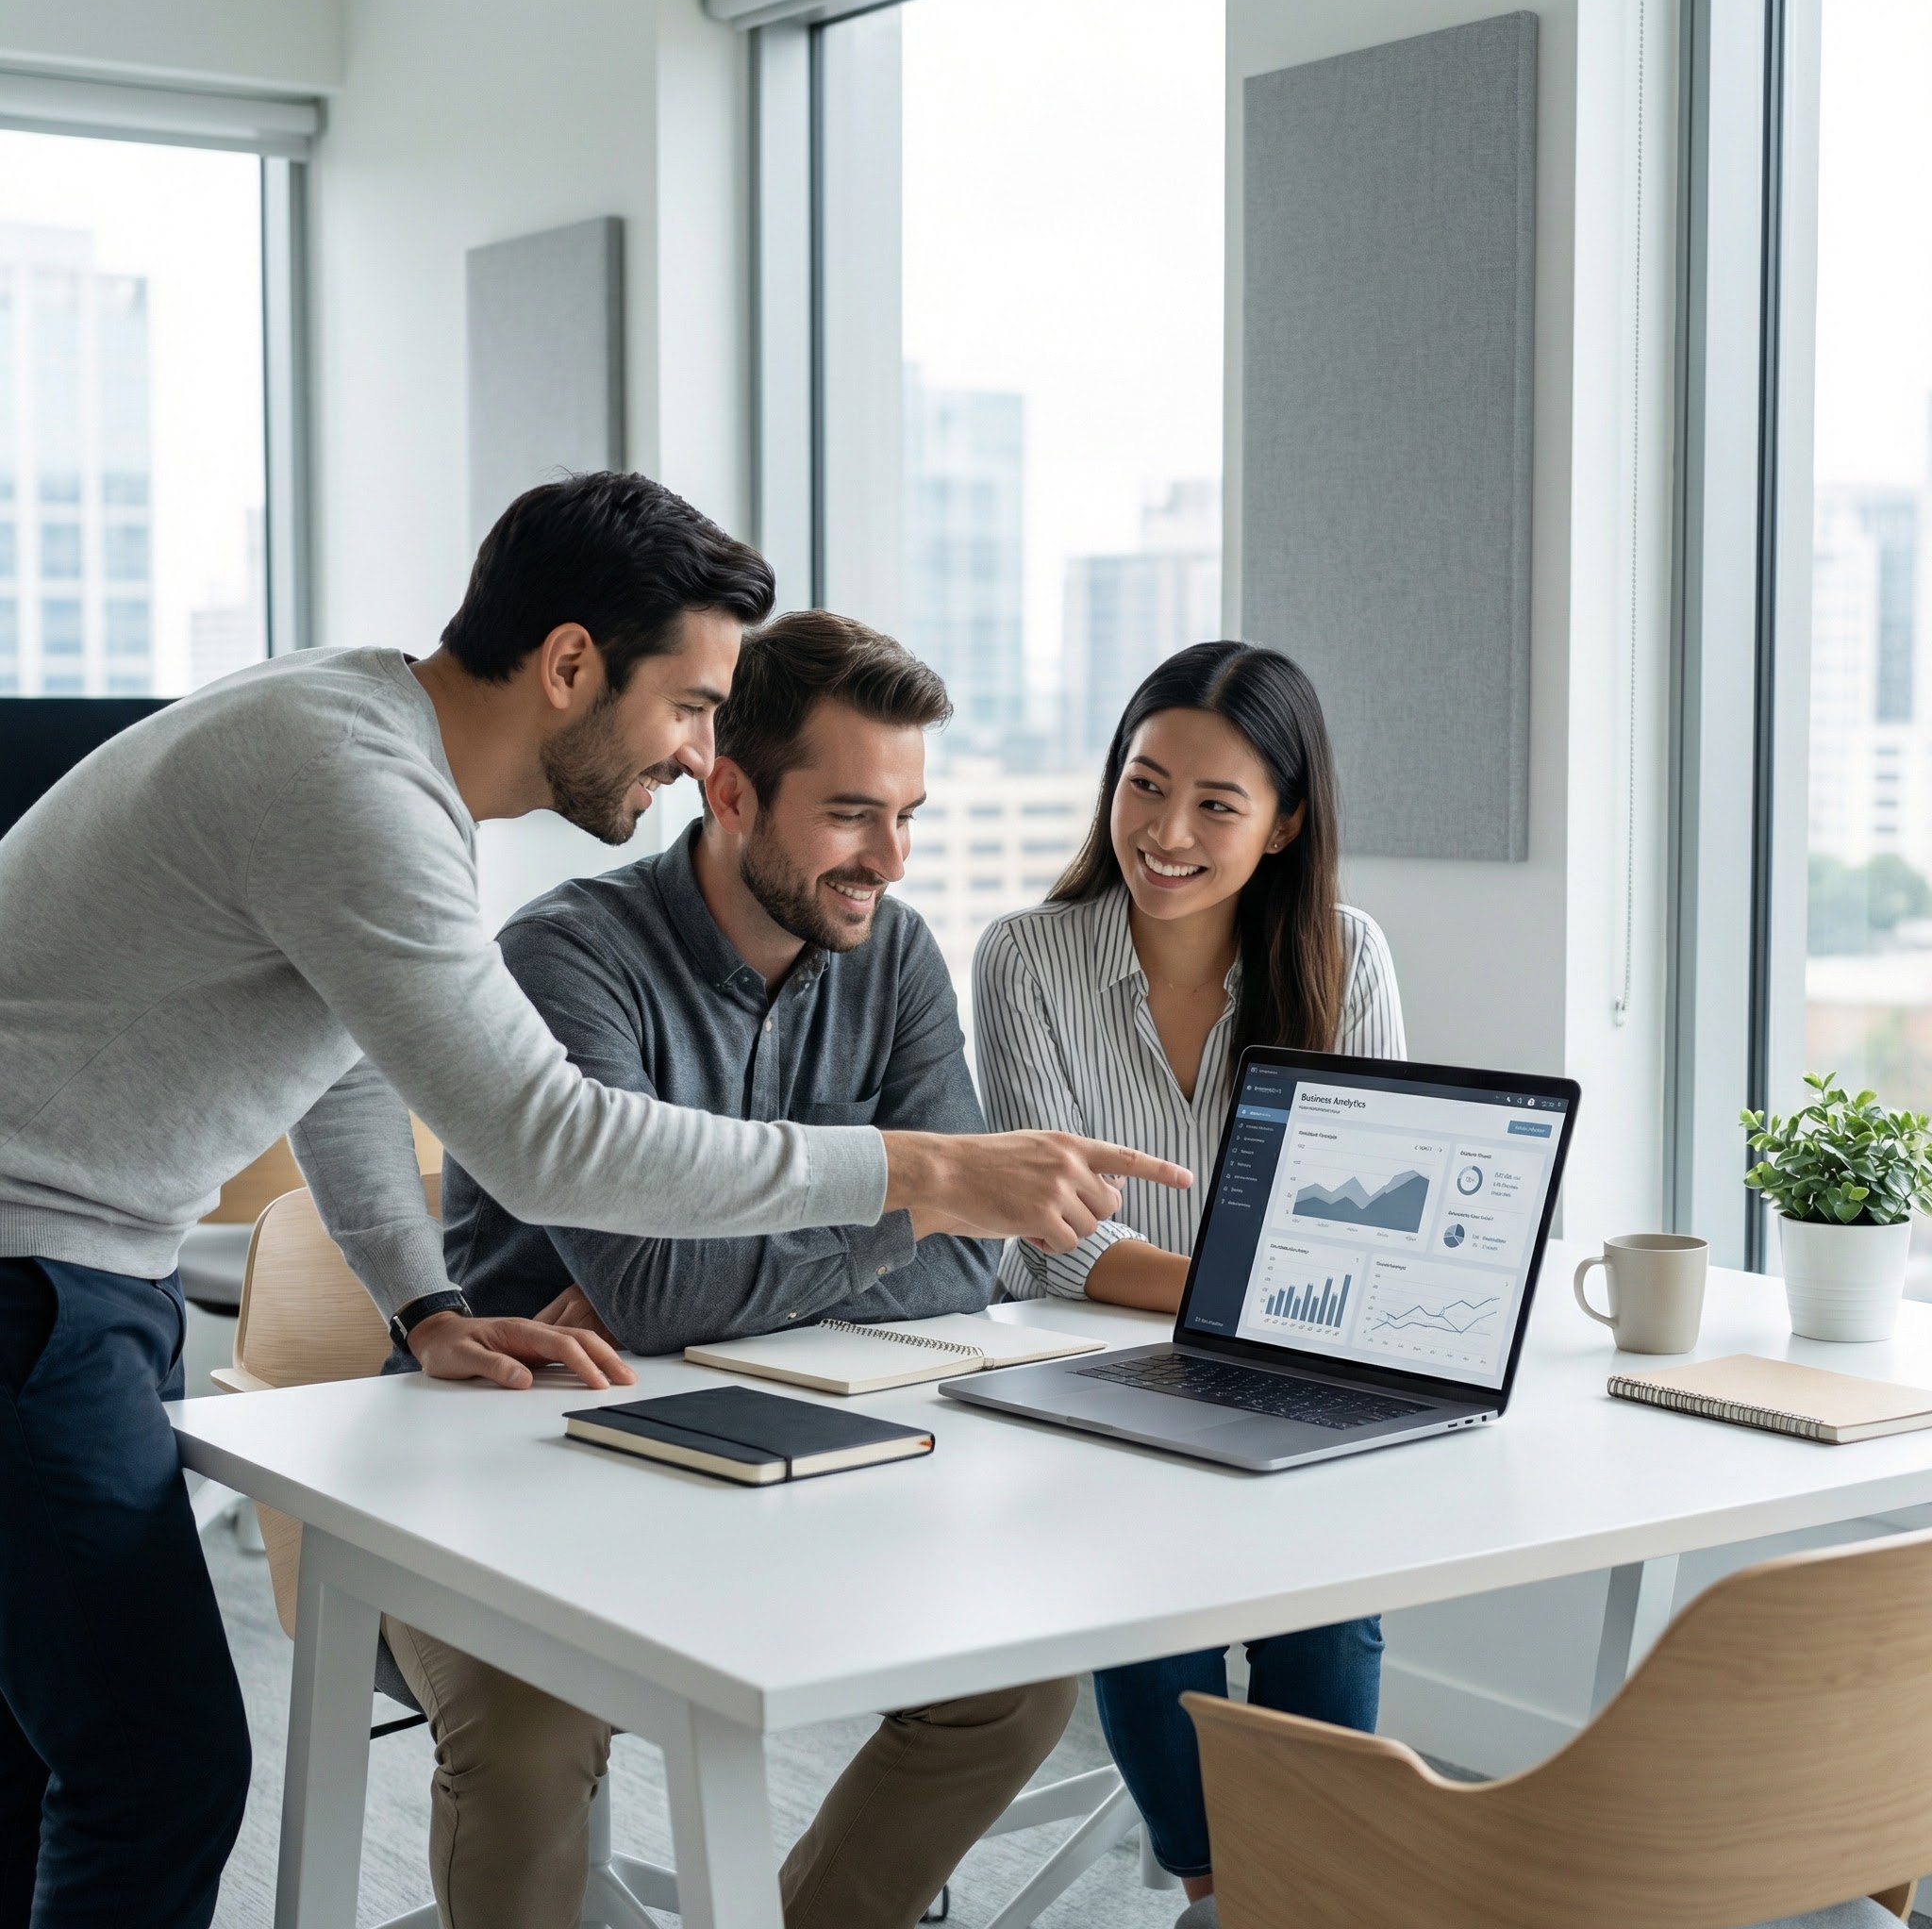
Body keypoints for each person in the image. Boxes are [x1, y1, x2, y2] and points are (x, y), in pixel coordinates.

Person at [0, 472, 1185, 1929]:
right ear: (570, 664)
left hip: (66, 1268)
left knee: (59, 1757)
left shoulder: (360, 745)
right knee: (155, 1771)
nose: (699, 755)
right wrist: (926, 1172)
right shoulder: (356, 785)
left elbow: (340, 1055)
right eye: (690, 707)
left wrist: (424, 1301)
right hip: (35, 1273)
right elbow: (559, 1147)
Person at [396, 609, 1076, 1929]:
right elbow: (652, 1300)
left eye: (911, 816)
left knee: (1013, 1686)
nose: (890, 858)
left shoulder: (896, 960)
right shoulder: (569, 960)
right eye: (852, 815)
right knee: (537, 1740)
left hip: (791, 1454)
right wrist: (911, 1197)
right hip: (517, 1466)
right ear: (726, 790)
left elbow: (975, 1268)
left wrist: (762, 1258)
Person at [972, 640, 1404, 1917]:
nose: (1165, 830)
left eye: (1216, 804)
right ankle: (1221, 1887)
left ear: (1283, 827)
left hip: (1292, 1366)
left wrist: (1262, 1302)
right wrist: (1255, 1285)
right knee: (1148, 1582)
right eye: (1144, 785)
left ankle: (1295, 1882)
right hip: (1080, 1371)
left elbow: (1368, 1236)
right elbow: (1060, 1244)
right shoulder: (1025, 958)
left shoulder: (1347, 955)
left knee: (1331, 1598)